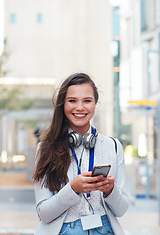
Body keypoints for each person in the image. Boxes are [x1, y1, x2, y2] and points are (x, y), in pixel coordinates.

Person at [33, 72, 129, 235]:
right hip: (65, 230)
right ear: (63, 105)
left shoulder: (113, 146)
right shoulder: (45, 149)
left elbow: (122, 210)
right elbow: (44, 213)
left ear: (95, 104)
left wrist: (110, 191)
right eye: (72, 101)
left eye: (87, 101)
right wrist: (72, 188)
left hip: (104, 229)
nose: (79, 107)